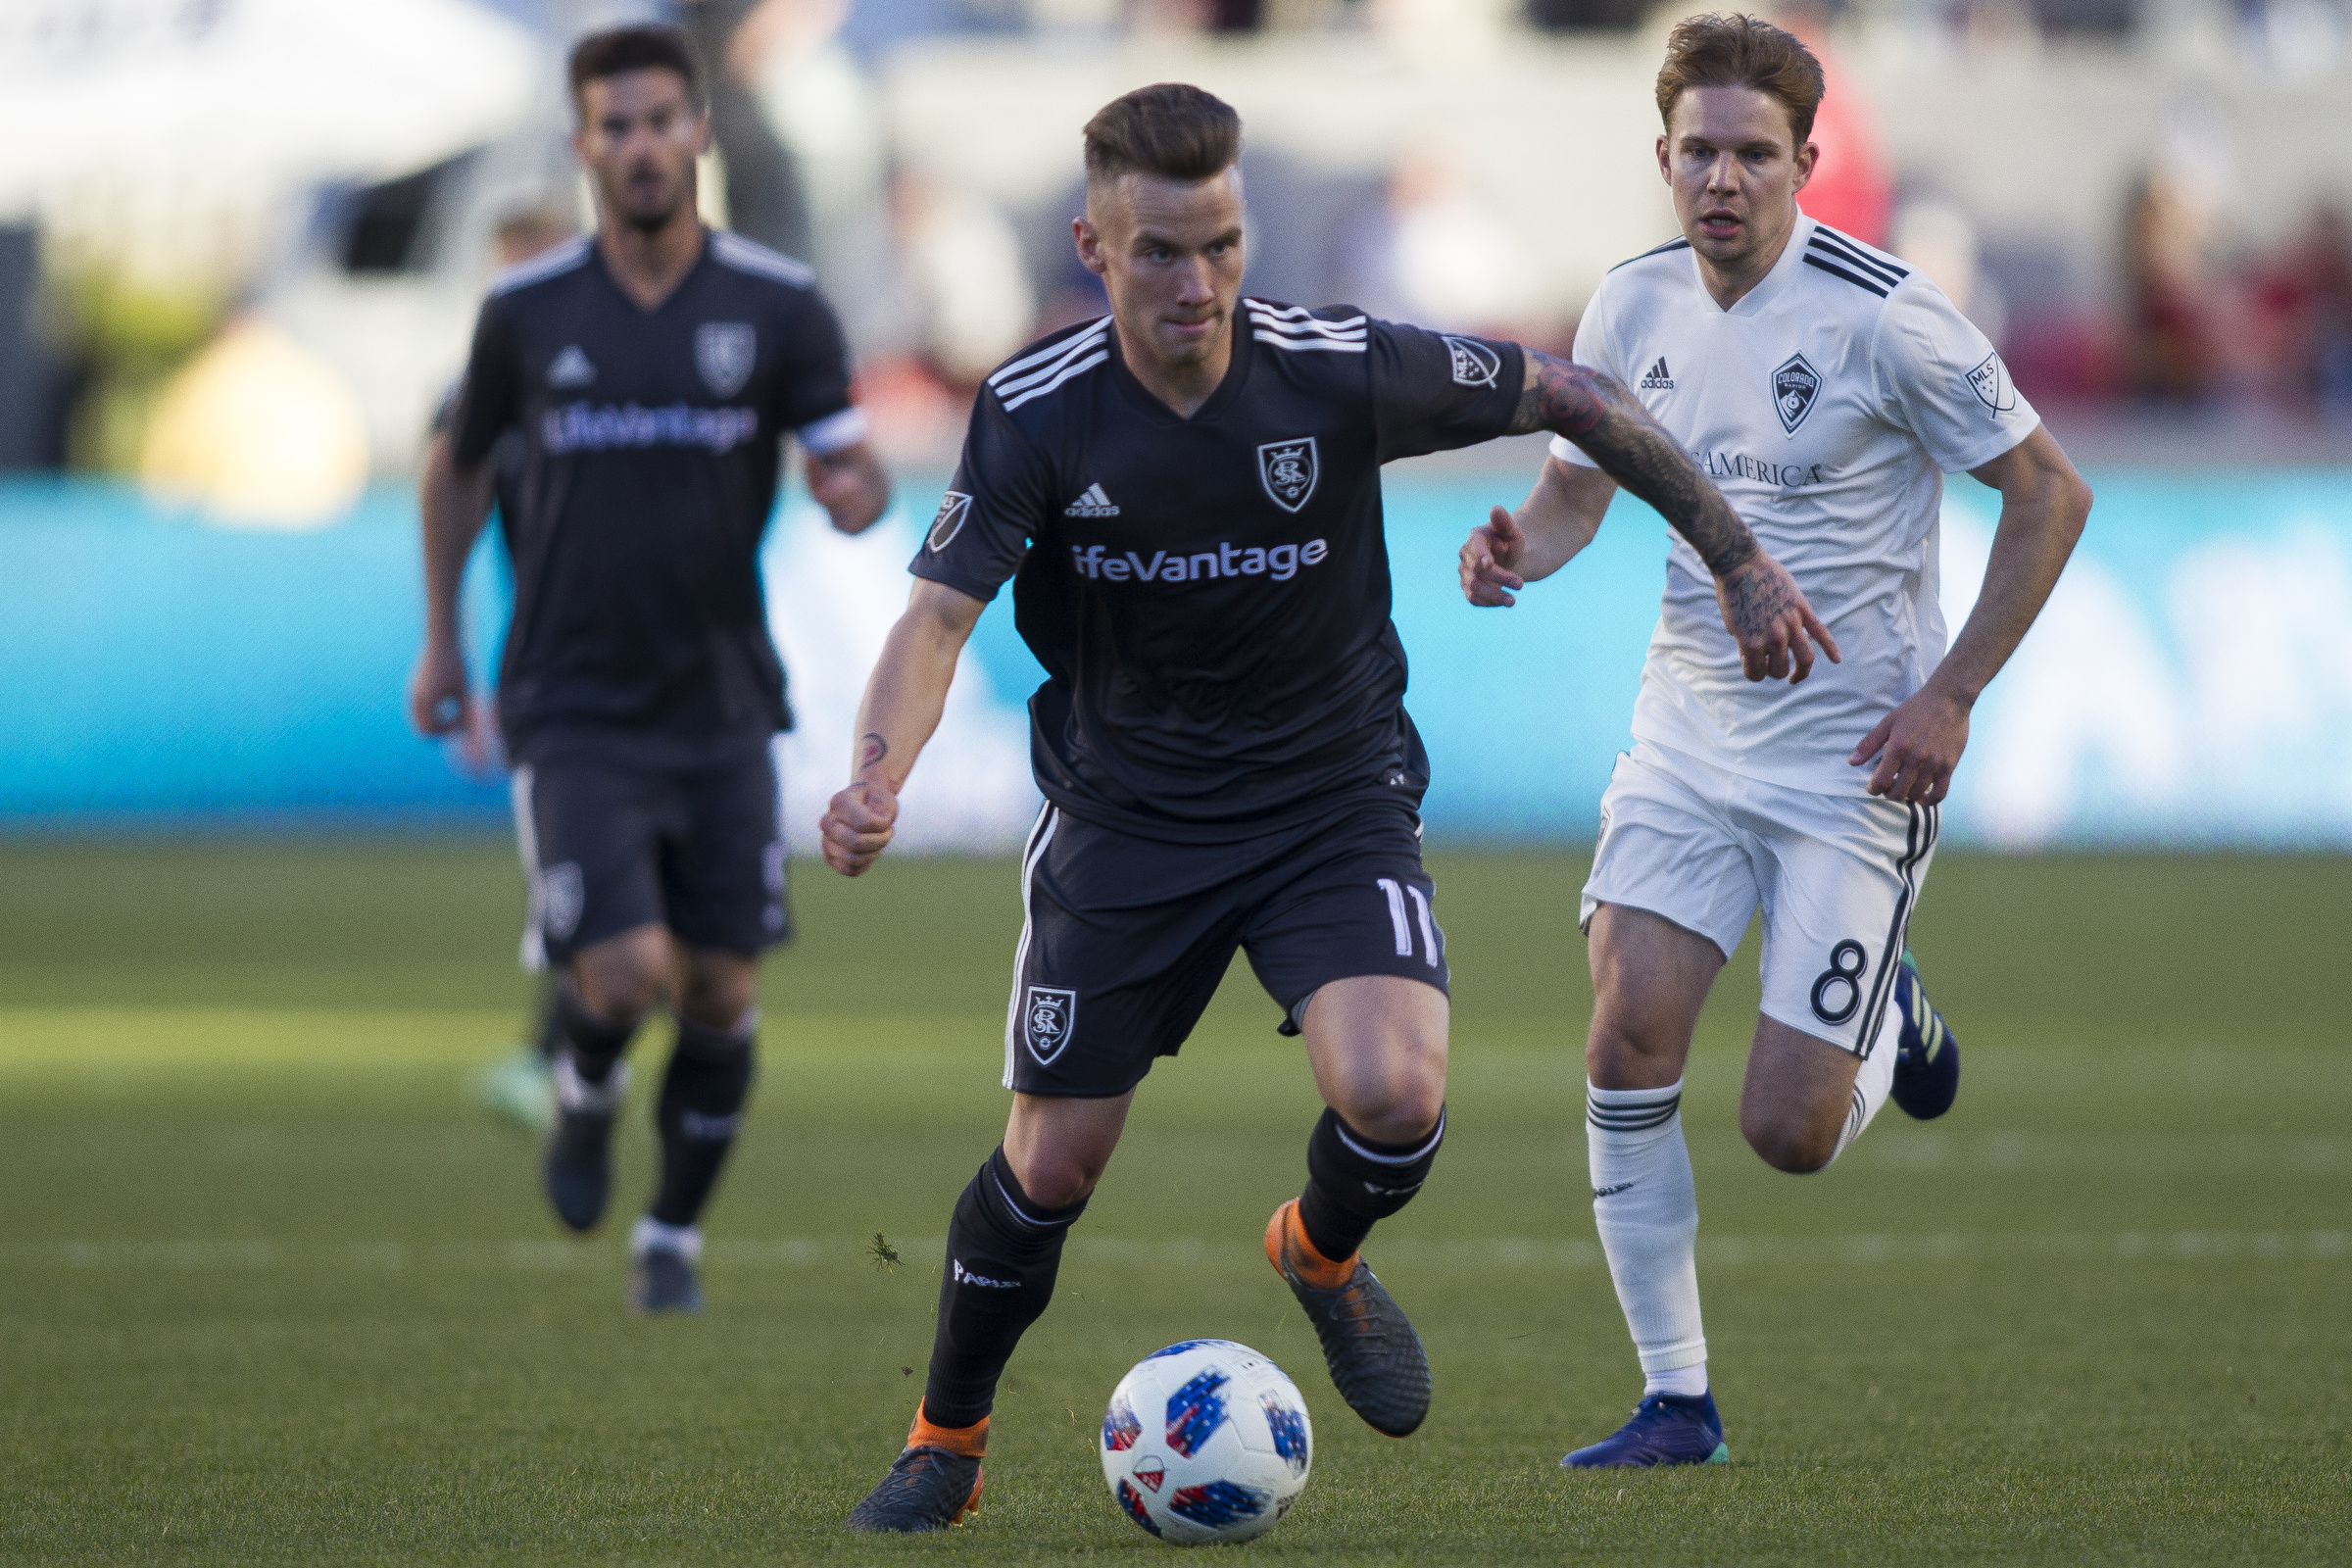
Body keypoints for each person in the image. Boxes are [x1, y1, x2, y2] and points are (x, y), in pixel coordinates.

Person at [817, 81, 1828, 1532]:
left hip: (1326, 799)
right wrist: (875, 775)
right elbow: (934, 622)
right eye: (1161, 251)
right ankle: (947, 1442)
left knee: (1398, 1094)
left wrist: (1733, 556)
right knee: (1052, 1165)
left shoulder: (1333, 368)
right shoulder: (1036, 413)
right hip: (1126, 822)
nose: (1200, 282)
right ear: (1096, 251)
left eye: (1222, 244)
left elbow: (1579, 396)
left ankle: (1319, 1252)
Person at [1457, 14, 2092, 1468]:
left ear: (1808, 162)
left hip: (1857, 759)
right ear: (1663, 159)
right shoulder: (1625, 307)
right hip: (1688, 733)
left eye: (1755, 154)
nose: (1723, 180)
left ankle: (1891, 1018)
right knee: (1623, 1031)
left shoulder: (1890, 316)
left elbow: (2052, 494)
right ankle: (1676, 1402)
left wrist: (1952, 696)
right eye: (1700, 152)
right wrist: (1520, 549)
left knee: (1788, 1131)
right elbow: (1573, 497)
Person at [407, 23, 890, 1314]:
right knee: (625, 974)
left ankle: (670, 1231)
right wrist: (447, 639)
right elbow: (453, 465)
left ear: (697, 134)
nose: (637, 145)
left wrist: (853, 487)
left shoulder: (775, 305)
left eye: (658, 120)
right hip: (570, 702)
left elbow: (852, 456)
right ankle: (585, 1085)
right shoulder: (524, 313)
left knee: (723, 994)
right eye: (612, 126)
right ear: (584, 148)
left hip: (724, 701)